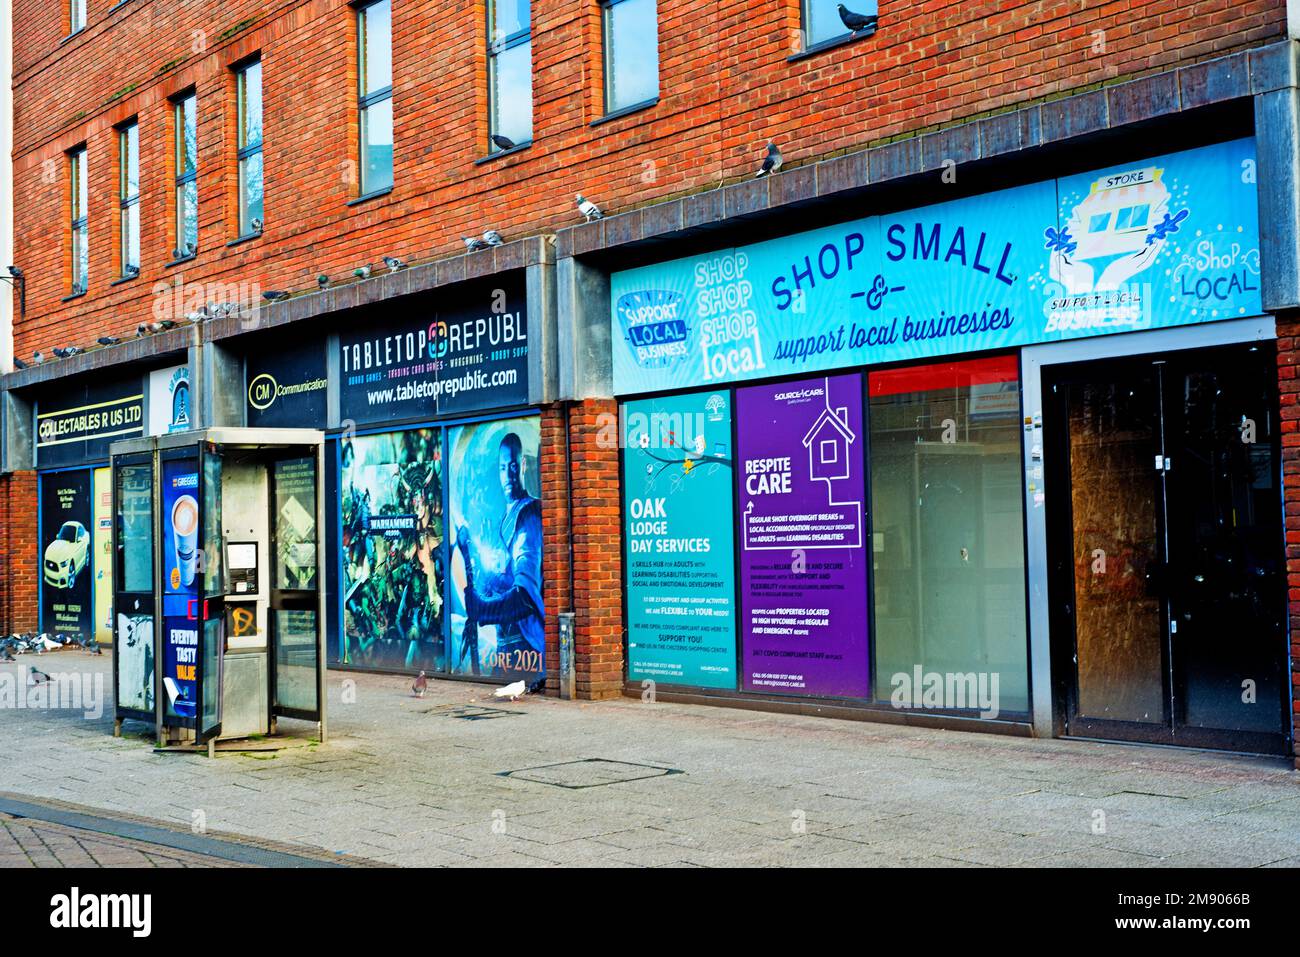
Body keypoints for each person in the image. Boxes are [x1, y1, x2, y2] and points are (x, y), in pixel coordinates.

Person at [457, 432, 543, 672]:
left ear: (523, 465)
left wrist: (483, 610)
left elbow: (525, 596)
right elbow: (505, 580)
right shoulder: (504, 520)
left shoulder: (529, 514)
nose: (509, 474)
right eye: (503, 467)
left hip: (527, 646)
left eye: (514, 465)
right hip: (506, 647)